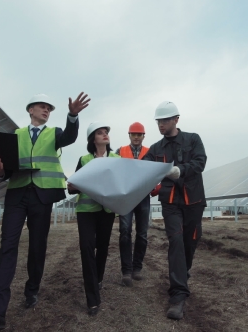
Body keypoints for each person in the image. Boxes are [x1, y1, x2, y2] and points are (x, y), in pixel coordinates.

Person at [0, 93, 90, 331]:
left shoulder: (55, 133)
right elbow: (5, 170)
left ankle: (32, 289)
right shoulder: (14, 136)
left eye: (49, 108)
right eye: (42, 106)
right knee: (7, 247)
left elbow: (70, 136)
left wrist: (73, 115)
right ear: (30, 110)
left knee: (38, 246)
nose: (46, 110)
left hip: (43, 196)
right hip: (17, 194)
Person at [142, 101, 207, 320]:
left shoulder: (193, 139)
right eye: (158, 121)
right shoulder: (156, 149)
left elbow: (200, 162)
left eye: (165, 120)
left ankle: (183, 271)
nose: (161, 124)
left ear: (176, 119)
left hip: (194, 200)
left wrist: (182, 170)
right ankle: (178, 295)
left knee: (190, 242)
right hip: (170, 203)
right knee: (176, 242)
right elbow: (143, 167)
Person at [67, 122, 119, 316]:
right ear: (93, 139)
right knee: (87, 247)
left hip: (107, 210)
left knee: (103, 246)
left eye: (106, 132)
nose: (105, 135)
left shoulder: (116, 158)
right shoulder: (84, 159)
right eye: (100, 132)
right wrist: (72, 186)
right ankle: (92, 298)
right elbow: (73, 184)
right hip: (86, 210)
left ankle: (98, 279)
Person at [115, 122, 151, 287]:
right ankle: (126, 271)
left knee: (142, 234)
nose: (136, 137)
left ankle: (137, 268)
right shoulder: (119, 152)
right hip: (126, 196)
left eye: (139, 134)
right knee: (125, 232)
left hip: (143, 197)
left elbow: (154, 173)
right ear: (129, 135)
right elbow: (114, 171)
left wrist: (156, 188)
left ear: (143, 136)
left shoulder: (150, 152)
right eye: (133, 134)